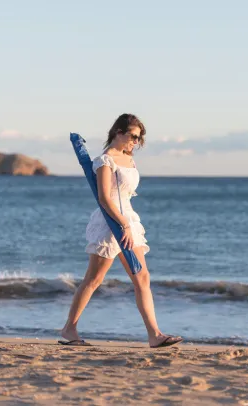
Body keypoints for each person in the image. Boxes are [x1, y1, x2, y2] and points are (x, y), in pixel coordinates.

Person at [59, 113, 183, 349]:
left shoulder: (129, 159)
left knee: (142, 277)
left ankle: (154, 334)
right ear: (118, 132)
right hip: (110, 223)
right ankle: (69, 328)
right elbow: (105, 198)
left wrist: (128, 225)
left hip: (130, 223)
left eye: (139, 138)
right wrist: (122, 225)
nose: (136, 142)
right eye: (133, 136)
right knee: (94, 279)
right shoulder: (106, 160)